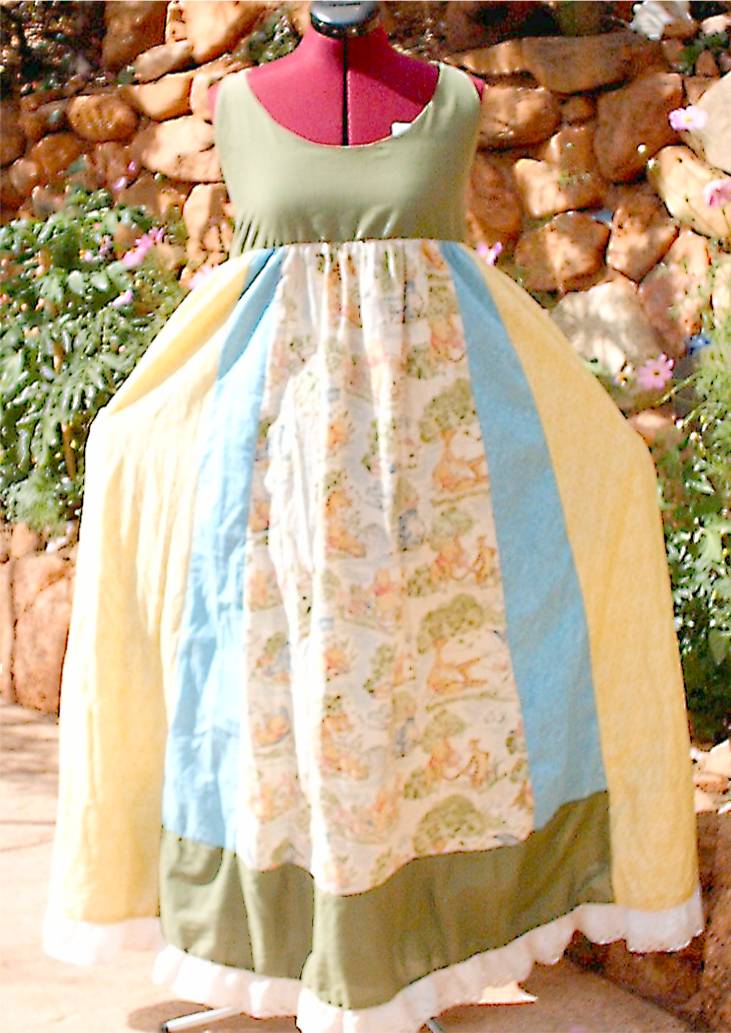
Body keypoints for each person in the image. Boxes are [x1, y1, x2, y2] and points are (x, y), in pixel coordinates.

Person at [43, 4, 702, 1031]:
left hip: (428, 458)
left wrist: (597, 452)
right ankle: (289, 938)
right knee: (272, 695)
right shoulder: (234, 103)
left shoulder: (453, 100)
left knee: (420, 695)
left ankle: (400, 945)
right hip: (269, 463)